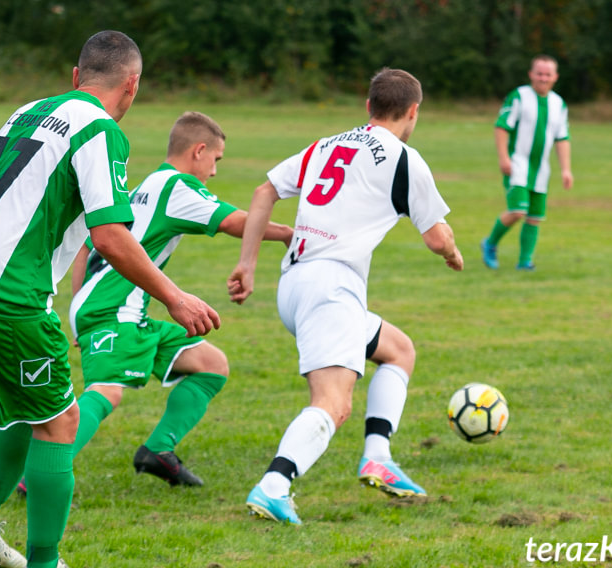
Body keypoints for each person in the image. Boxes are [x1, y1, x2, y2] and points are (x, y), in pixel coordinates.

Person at [0, 31, 219, 568]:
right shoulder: (102, 132)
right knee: (59, 422)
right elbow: (109, 235)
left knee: (24, 408)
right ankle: (44, 567)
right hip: (8, 298)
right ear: (131, 84)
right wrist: (175, 297)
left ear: (75, 76)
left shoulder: (28, 111)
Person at [227, 68, 464, 525]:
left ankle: (378, 456)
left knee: (398, 350)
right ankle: (274, 486)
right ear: (413, 112)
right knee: (333, 404)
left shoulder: (326, 144)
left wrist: (248, 264)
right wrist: (453, 252)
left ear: (368, 106)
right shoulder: (404, 159)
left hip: (296, 284)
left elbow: (264, 191)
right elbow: (437, 237)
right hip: (330, 289)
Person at [15, 111, 292, 495]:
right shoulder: (177, 187)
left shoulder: (147, 184)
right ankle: (40, 474)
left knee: (211, 365)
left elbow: (86, 243)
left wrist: (79, 301)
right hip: (114, 307)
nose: (214, 172)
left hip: (117, 306)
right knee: (107, 389)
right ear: (199, 151)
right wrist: (291, 234)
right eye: (216, 160)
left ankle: (158, 451)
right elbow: (234, 222)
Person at [480, 54, 573, 271]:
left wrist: (566, 170)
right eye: (539, 73)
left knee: (534, 217)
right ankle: (490, 243)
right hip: (517, 164)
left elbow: (562, 138)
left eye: (547, 74)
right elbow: (502, 126)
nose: (543, 78)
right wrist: (504, 158)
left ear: (555, 77)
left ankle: (524, 263)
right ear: (531, 74)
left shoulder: (559, 104)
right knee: (518, 211)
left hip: (541, 169)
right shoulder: (519, 96)